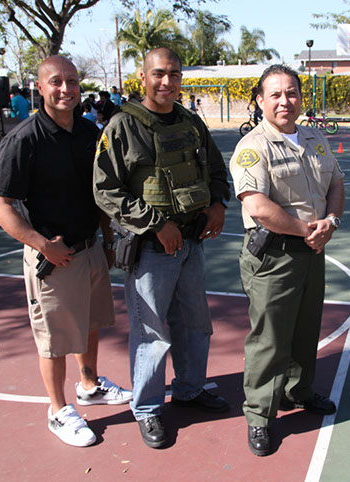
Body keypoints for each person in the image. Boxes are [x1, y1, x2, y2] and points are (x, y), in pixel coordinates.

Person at [0, 55, 132, 448]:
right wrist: (42, 246)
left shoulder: (88, 133)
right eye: (56, 82)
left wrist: (105, 241)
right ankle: (58, 410)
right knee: (53, 339)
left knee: (90, 324)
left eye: (71, 81)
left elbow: (100, 195)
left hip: (89, 250)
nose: (65, 88)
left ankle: (90, 385)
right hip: (54, 257)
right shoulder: (23, 140)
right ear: (40, 87)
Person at [93, 47, 231, 450]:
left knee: (195, 323)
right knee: (152, 333)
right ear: (143, 77)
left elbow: (218, 171)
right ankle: (148, 408)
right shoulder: (122, 127)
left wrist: (219, 204)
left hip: (192, 242)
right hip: (152, 248)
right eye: (158, 74)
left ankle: (189, 389)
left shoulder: (191, 123)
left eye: (173, 74)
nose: (166, 82)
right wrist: (156, 225)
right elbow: (105, 191)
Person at [229, 64, 345, 457]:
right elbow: (258, 206)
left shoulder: (315, 137)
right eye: (275, 94)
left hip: (312, 250)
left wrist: (331, 220)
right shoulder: (253, 147)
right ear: (260, 100)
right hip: (275, 257)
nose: (285, 100)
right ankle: (260, 416)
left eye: (292, 92)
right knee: (270, 339)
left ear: (301, 97)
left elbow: (337, 183)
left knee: (304, 329)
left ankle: (299, 391)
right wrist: (306, 230)